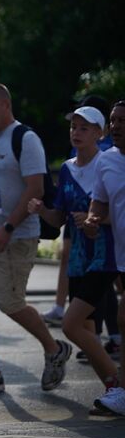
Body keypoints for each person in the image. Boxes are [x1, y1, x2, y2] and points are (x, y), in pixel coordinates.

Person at [0, 82, 72, 394]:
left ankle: (54, 348)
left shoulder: (25, 138)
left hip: (16, 237)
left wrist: (7, 228)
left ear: (6, 105)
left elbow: (35, 188)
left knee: (10, 303)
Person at [28, 106, 119, 410]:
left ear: (99, 133)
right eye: (73, 127)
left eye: (84, 128)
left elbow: (114, 212)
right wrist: (42, 210)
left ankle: (118, 383)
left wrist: (96, 219)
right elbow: (59, 219)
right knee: (88, 331)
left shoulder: (109, 164)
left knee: (70, 325)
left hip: (104, 257)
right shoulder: (67, 168)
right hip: (79, 259)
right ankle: (111, 390)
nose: (76, 133)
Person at [85, 100, 125, 415]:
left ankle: (121, 391)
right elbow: (99, 202)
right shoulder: (106, 161)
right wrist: (92, 221)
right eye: (113, 121)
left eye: (122, 120)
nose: (117, 126)